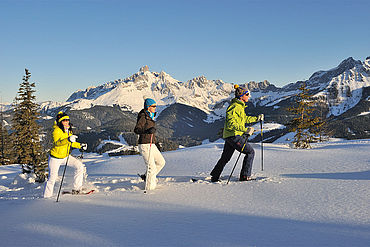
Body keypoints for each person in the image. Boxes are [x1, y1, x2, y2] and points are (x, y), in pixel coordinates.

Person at [210, 85, 264, 182]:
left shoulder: (239, 106)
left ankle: (215, 176)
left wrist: (257, 118)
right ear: (241, 96)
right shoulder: (234, 107)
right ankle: (245, 176)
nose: (248, 96)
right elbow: (231, 124)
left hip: (230, 136)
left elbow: (244, 119)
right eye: (247, 94)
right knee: (250, 152)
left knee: (225, 158)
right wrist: (244, 130)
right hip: (234, 135)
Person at [43, 112, 88, 198]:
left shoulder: (68, 130)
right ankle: (47, 197)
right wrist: (68, 139)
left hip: (65, 156)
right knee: (52, 179)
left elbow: (71, 143)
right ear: (60, 122)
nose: (67, 121)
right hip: (55, 158)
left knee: (79, 166)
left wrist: (80, 145)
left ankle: (77, 189)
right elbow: (57, 143)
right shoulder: (56, 130)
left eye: (67, 120)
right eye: (64, 120)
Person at [134, 98, 166, 190]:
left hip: (151, 143)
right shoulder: (143, 116)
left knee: (161, 162)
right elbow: (136, 129)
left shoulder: (150, 115)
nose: (155, 108)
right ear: (148, 107)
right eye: (153, 106)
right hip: (144, 144)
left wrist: (156, 144)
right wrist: (147, 131)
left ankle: (146, 177)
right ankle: (149, 190)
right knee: (151, 167)